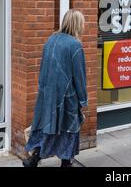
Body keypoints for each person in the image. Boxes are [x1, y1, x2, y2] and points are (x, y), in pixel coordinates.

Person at [23, 9, 88, 168]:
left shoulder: (51, 39)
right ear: (77, 24)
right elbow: (79, 76)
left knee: (47, 126)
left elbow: (42, 67)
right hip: (67, 96)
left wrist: (43, 90)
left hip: (48, 94)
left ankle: (34, 158)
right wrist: (83, 99)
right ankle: (66, 163)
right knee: (69, 128)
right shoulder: (75, 45)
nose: (84, 25)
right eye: (82, 22)